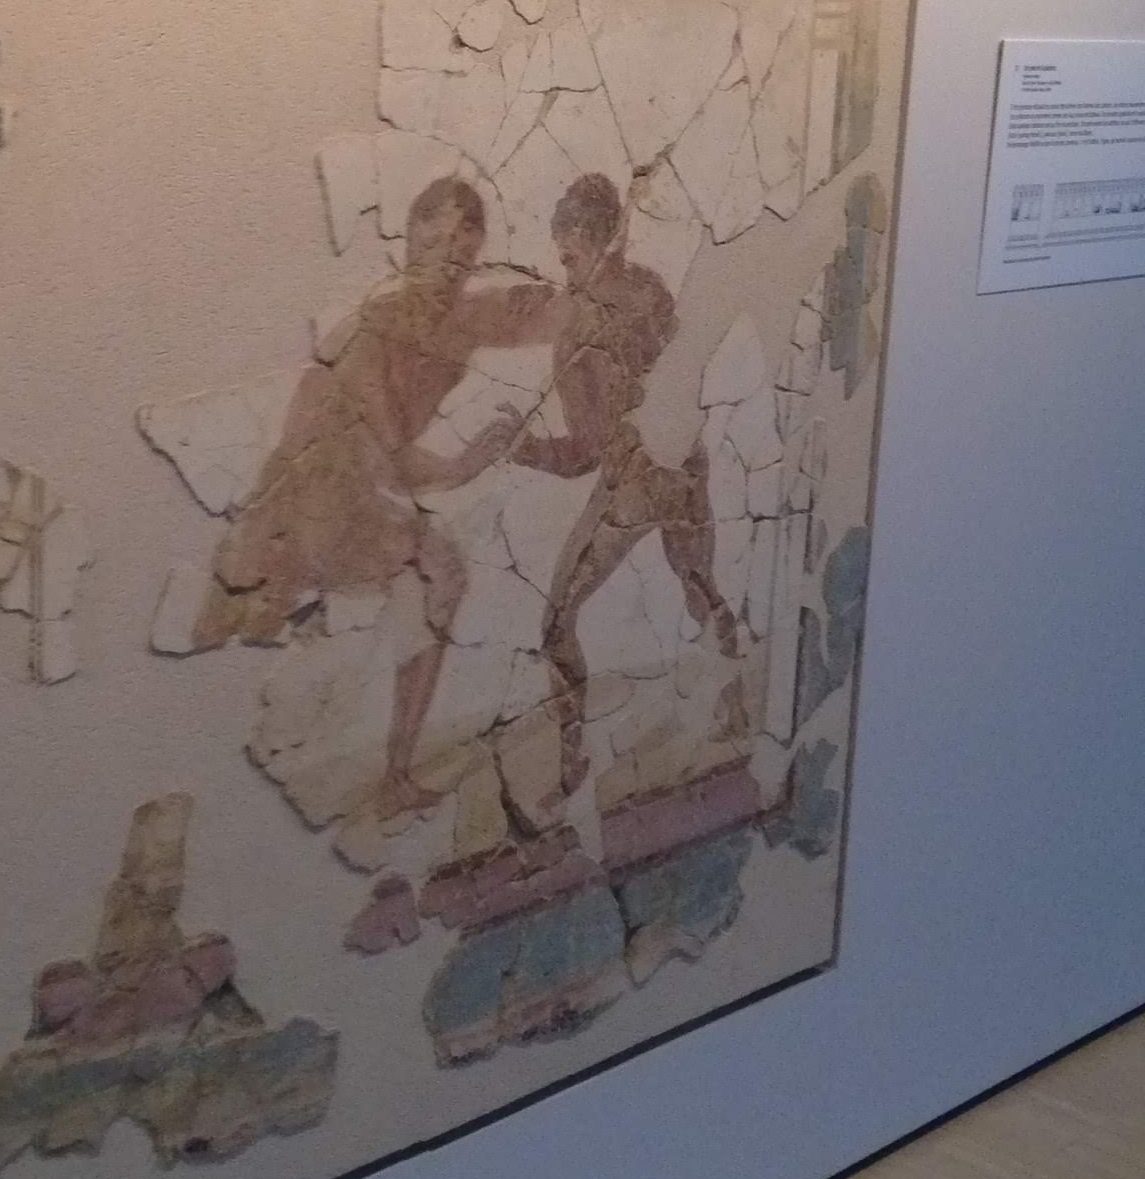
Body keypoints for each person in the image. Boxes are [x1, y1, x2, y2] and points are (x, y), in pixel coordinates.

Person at [191, 174, 558, 820]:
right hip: (308, 504)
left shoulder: (460, 320)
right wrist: (466, 463)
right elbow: (394, 459)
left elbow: (551, 315)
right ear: (410, 243)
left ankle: (395, 778)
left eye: (462, 252)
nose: (446, 265)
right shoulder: (375, 330)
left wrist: (602, 297)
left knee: (440, 575)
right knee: (225, 633)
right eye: (434, 244)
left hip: (362, 504)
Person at [511, 171, 747, 769]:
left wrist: (524, 449)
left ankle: (573, 769)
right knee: (700, 587)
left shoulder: (576, 332)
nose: (563, 264)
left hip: (634, 485)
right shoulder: (653, 290)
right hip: (685, 467)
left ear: (593, 239)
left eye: (569, 252)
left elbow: (584, 455)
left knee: (557, 619)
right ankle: (736, 712)